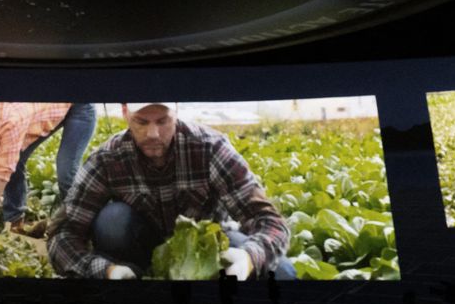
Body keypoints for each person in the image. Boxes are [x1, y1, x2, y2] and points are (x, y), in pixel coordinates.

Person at [46, 103, 293, 280]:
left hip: (205, 251)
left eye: (162, 121)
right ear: (124, 113)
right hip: (140, 247)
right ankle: (134, 277)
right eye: (141, 122)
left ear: (175, 111)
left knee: (282, 272)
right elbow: (63, 235)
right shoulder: (108, 158)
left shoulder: (209, 147)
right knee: (112, 220)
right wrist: (106, 270)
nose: (153, 134)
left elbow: (270, 221)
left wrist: (249, 258)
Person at [0, 101, 96, 236]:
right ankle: (14, 222)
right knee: (14, 162)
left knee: (66, 168)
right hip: (48, 109)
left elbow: (2, 173)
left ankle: (80, 224)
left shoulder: (10, 121)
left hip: (78, 106)